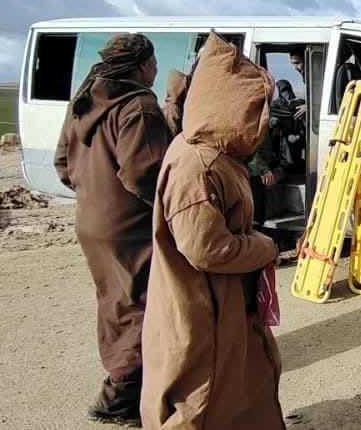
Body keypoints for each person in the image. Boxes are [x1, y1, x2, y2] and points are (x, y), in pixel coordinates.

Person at [141, 33, 283, 428]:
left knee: (242, 385)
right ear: (231, 105)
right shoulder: (198, 165)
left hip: (228, 303)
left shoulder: (215, 154)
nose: (262, 119)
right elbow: (206, 249)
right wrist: (265, 247)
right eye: (256, 107)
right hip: (208, 307)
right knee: (201, 399)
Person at [53, 33, 172, 425]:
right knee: (139, 305)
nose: (156, 70)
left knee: (116, 303)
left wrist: (93, 194)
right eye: (154, 63)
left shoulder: (84, 102)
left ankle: (133, 385)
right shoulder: (138, 107)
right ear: (142, 65)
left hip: (92, 222)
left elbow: (62, 165)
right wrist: (174, 209)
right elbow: (145, 174)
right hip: (130, 227)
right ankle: (118, 398)